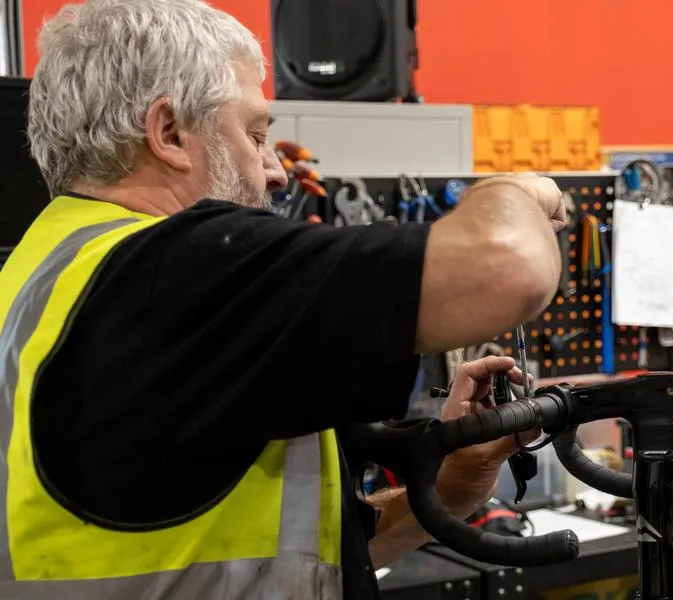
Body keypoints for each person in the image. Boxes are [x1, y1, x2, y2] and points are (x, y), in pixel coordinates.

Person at [1, 0, 566, 598]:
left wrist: (452, 484)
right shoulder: (177, 270)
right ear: (168, 134)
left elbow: (287, 556)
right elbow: (509, 267)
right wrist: (515, 187)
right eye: (254, 133)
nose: (276, 170)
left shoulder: (41, 267)